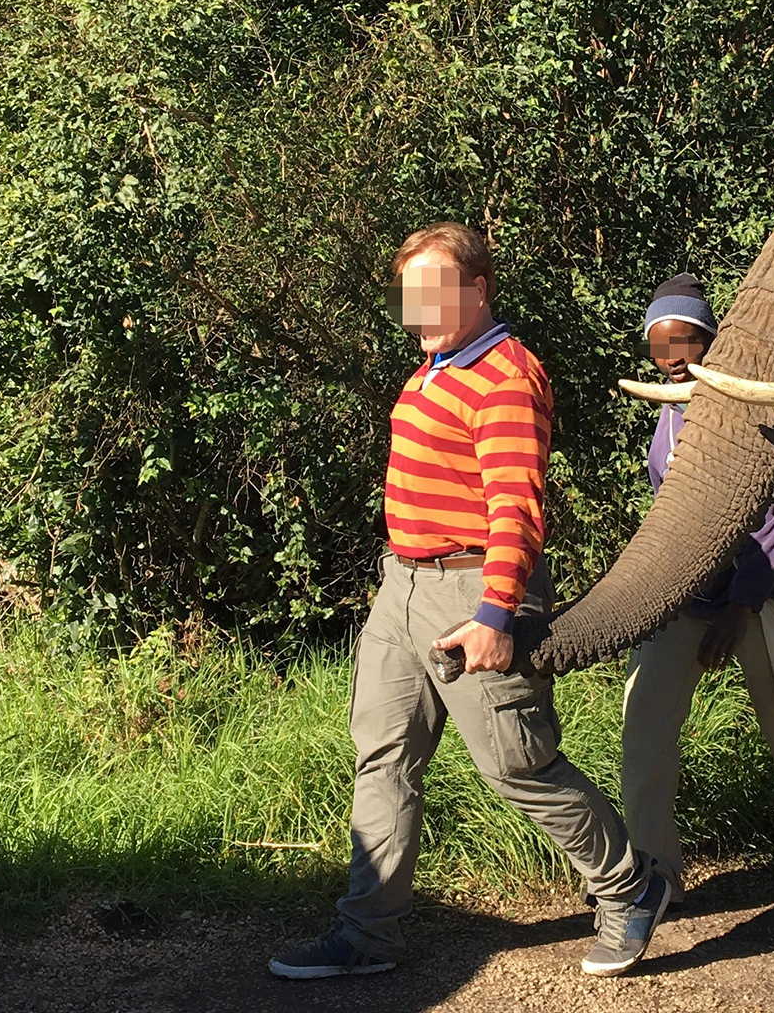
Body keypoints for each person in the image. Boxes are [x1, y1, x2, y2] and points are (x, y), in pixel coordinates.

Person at [268, 222, 671, 981]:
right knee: (383, 756)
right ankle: (367, 935)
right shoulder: (435, 367)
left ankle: (631, 885)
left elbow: (515, 506)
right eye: (408, 296)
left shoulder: (505, 374)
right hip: (405, 584)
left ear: (478, 290)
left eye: (434, 293)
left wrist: (494, 614)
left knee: (516, 762)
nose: (417, 310)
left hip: (474, 585)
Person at [621, 273, 774, 906]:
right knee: (645, 728)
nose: (672, 359)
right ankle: (654, 877)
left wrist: (740, 608)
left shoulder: (752, 410)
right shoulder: (670, 413)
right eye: (659, 346)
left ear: (713, 345)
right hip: (686, 597)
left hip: (759, 602)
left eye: (685, 343)